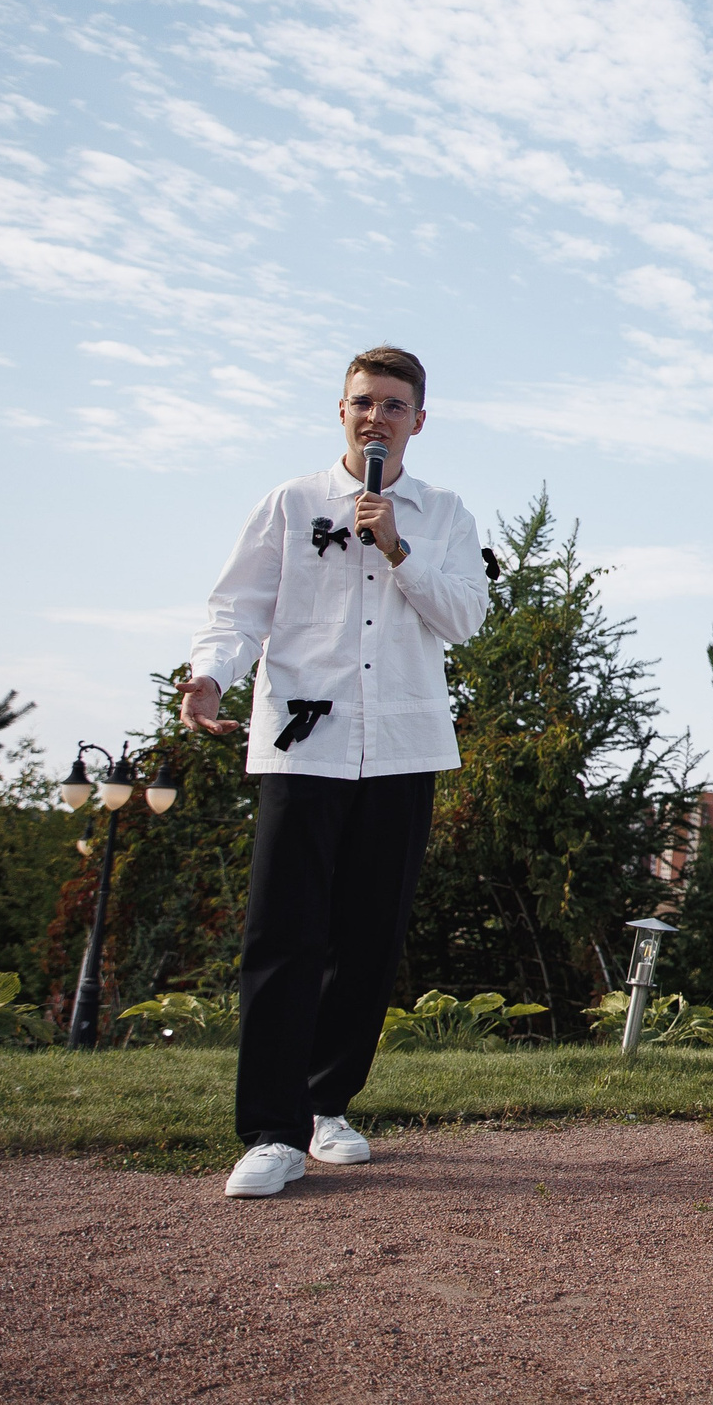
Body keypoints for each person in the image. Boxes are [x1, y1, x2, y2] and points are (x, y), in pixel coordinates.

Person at [179, 347, 488, 1199]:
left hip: (402, 744)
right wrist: (210, 674)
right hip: (303, 743)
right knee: (282, 933)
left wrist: (398, 547)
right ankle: (270, 1133)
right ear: (341, 411)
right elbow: (238, 608)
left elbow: (465, 617)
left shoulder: (445, 514)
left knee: (368, 936)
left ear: (418, 420)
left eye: (393, 405)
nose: (375, 417)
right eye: (363, 402)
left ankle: (327, 1106)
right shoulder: (290, 504)